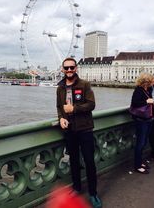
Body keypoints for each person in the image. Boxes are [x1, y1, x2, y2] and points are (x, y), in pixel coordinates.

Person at [56, 57, 102, 208]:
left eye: (72, 67)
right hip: (69, 130)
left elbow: (91, 104)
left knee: (89, 161)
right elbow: (59, 106)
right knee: (74, 160)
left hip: (85, 129)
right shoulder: (60, 87)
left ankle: (93, 194)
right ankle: (76, 187)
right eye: (66, 68)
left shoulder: (85, 84)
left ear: (76, 68)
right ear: (62, 69)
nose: (69, 70)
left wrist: (74, 109)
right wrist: (61, 118)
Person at [130, 72, 154, 174]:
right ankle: (137, 165)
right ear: (146, 81)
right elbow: (134, 103)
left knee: (144, 142)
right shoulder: (138, 90)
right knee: (140, 143)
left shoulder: (147, 89)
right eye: (151, 80)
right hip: (141, 120)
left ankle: (140, 162)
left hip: (148, 118)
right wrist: (147, 102)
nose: (153, 81)